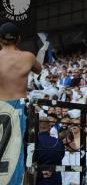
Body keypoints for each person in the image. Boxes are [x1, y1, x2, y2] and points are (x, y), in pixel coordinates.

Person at [0, 22, 42, 185]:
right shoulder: (28, 57)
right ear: (18, 39)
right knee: (21, 157)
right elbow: (39, 69)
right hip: (18, 111)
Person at [36, 116, 65, 185]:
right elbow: (61, 157)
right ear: (49, 127)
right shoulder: (58, 142)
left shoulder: (34, 143)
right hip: (55, 181)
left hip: (39, 180)